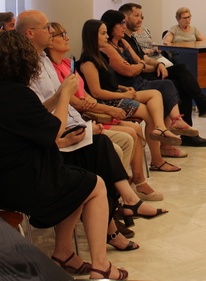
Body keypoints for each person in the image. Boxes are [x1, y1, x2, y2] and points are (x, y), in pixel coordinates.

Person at [0, 30, 128, 280]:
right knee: (95, 185)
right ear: (22, 62)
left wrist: (56, 97)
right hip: (21, 184)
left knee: (78, 179)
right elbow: (52, 131)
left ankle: (63, 253)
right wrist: (65, 97)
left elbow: (32, 116)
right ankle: (101, 265)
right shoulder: (16, 94)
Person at [16, 10, 167, 246]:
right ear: (30, 33)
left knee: (143, 114)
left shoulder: (55, 61)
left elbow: (82, 94)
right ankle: (122, 202)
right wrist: (93, 111)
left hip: (76, 118)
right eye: (53, 31)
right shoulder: (41, 66)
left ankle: (123, 199)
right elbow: (69, 100)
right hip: (62, 129)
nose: (61, 36)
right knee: (119, 139)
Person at [46, 21, 163, 202]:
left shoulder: (69, 63)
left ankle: (134, 180)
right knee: (133, 129)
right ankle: (125, 187)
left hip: (93, 108)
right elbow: (82, 100)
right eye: (103, 33)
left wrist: (120, 90)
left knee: (152, 104)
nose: (67, 38)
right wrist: (109, 106)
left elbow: (87, 93)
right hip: (89, 113)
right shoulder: (83, 61)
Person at [84, 16, 191, 172]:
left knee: (157, 94)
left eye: (106, 33)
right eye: (103, 34)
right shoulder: (88, 60)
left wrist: (122, 88)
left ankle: (161, 131)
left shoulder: (100, 56)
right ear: (92, 36)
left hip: (118, 93)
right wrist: (122, 94)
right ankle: (157, 157)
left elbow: (110, 81)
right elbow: (96, 92)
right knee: (150, 110)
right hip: (108, 102)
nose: (106, 37)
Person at [120, 2, 206, 141]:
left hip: (148, 69)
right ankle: (203, 104)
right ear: (125, 18)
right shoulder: (123, 41)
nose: (141, 19)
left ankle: (189, 134)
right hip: (141, 79)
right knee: (181, 69)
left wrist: (157, 63)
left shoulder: (131, 38)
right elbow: (138, 64)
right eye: (137, 16)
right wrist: (157, 66)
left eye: (142, 16)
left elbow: (142, 58)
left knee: (182, 82)